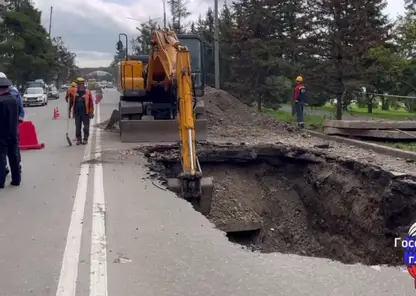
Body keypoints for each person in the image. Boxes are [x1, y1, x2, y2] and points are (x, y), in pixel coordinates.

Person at [0, 72, 24, 176]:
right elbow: (20, 109)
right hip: (13, 127)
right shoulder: (14, 93)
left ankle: (6, 168)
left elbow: (20, 109)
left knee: (3, 152)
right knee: (14, 150)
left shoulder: (12, 93)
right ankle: (17, 167)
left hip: (3, 129)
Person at [69, 77, 94, 145]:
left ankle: (85, 139)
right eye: (79, 84)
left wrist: (91, 112)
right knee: (77, 127)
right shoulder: (75, 93)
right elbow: (71, 99)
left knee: (86, 127)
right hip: (77, 113)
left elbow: (91, 103)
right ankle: (79, 139)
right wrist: (68, 96)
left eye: (81, 84)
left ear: (84, 84)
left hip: (85, 113)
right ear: (77, 85)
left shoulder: (88, 92)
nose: (80, 86)